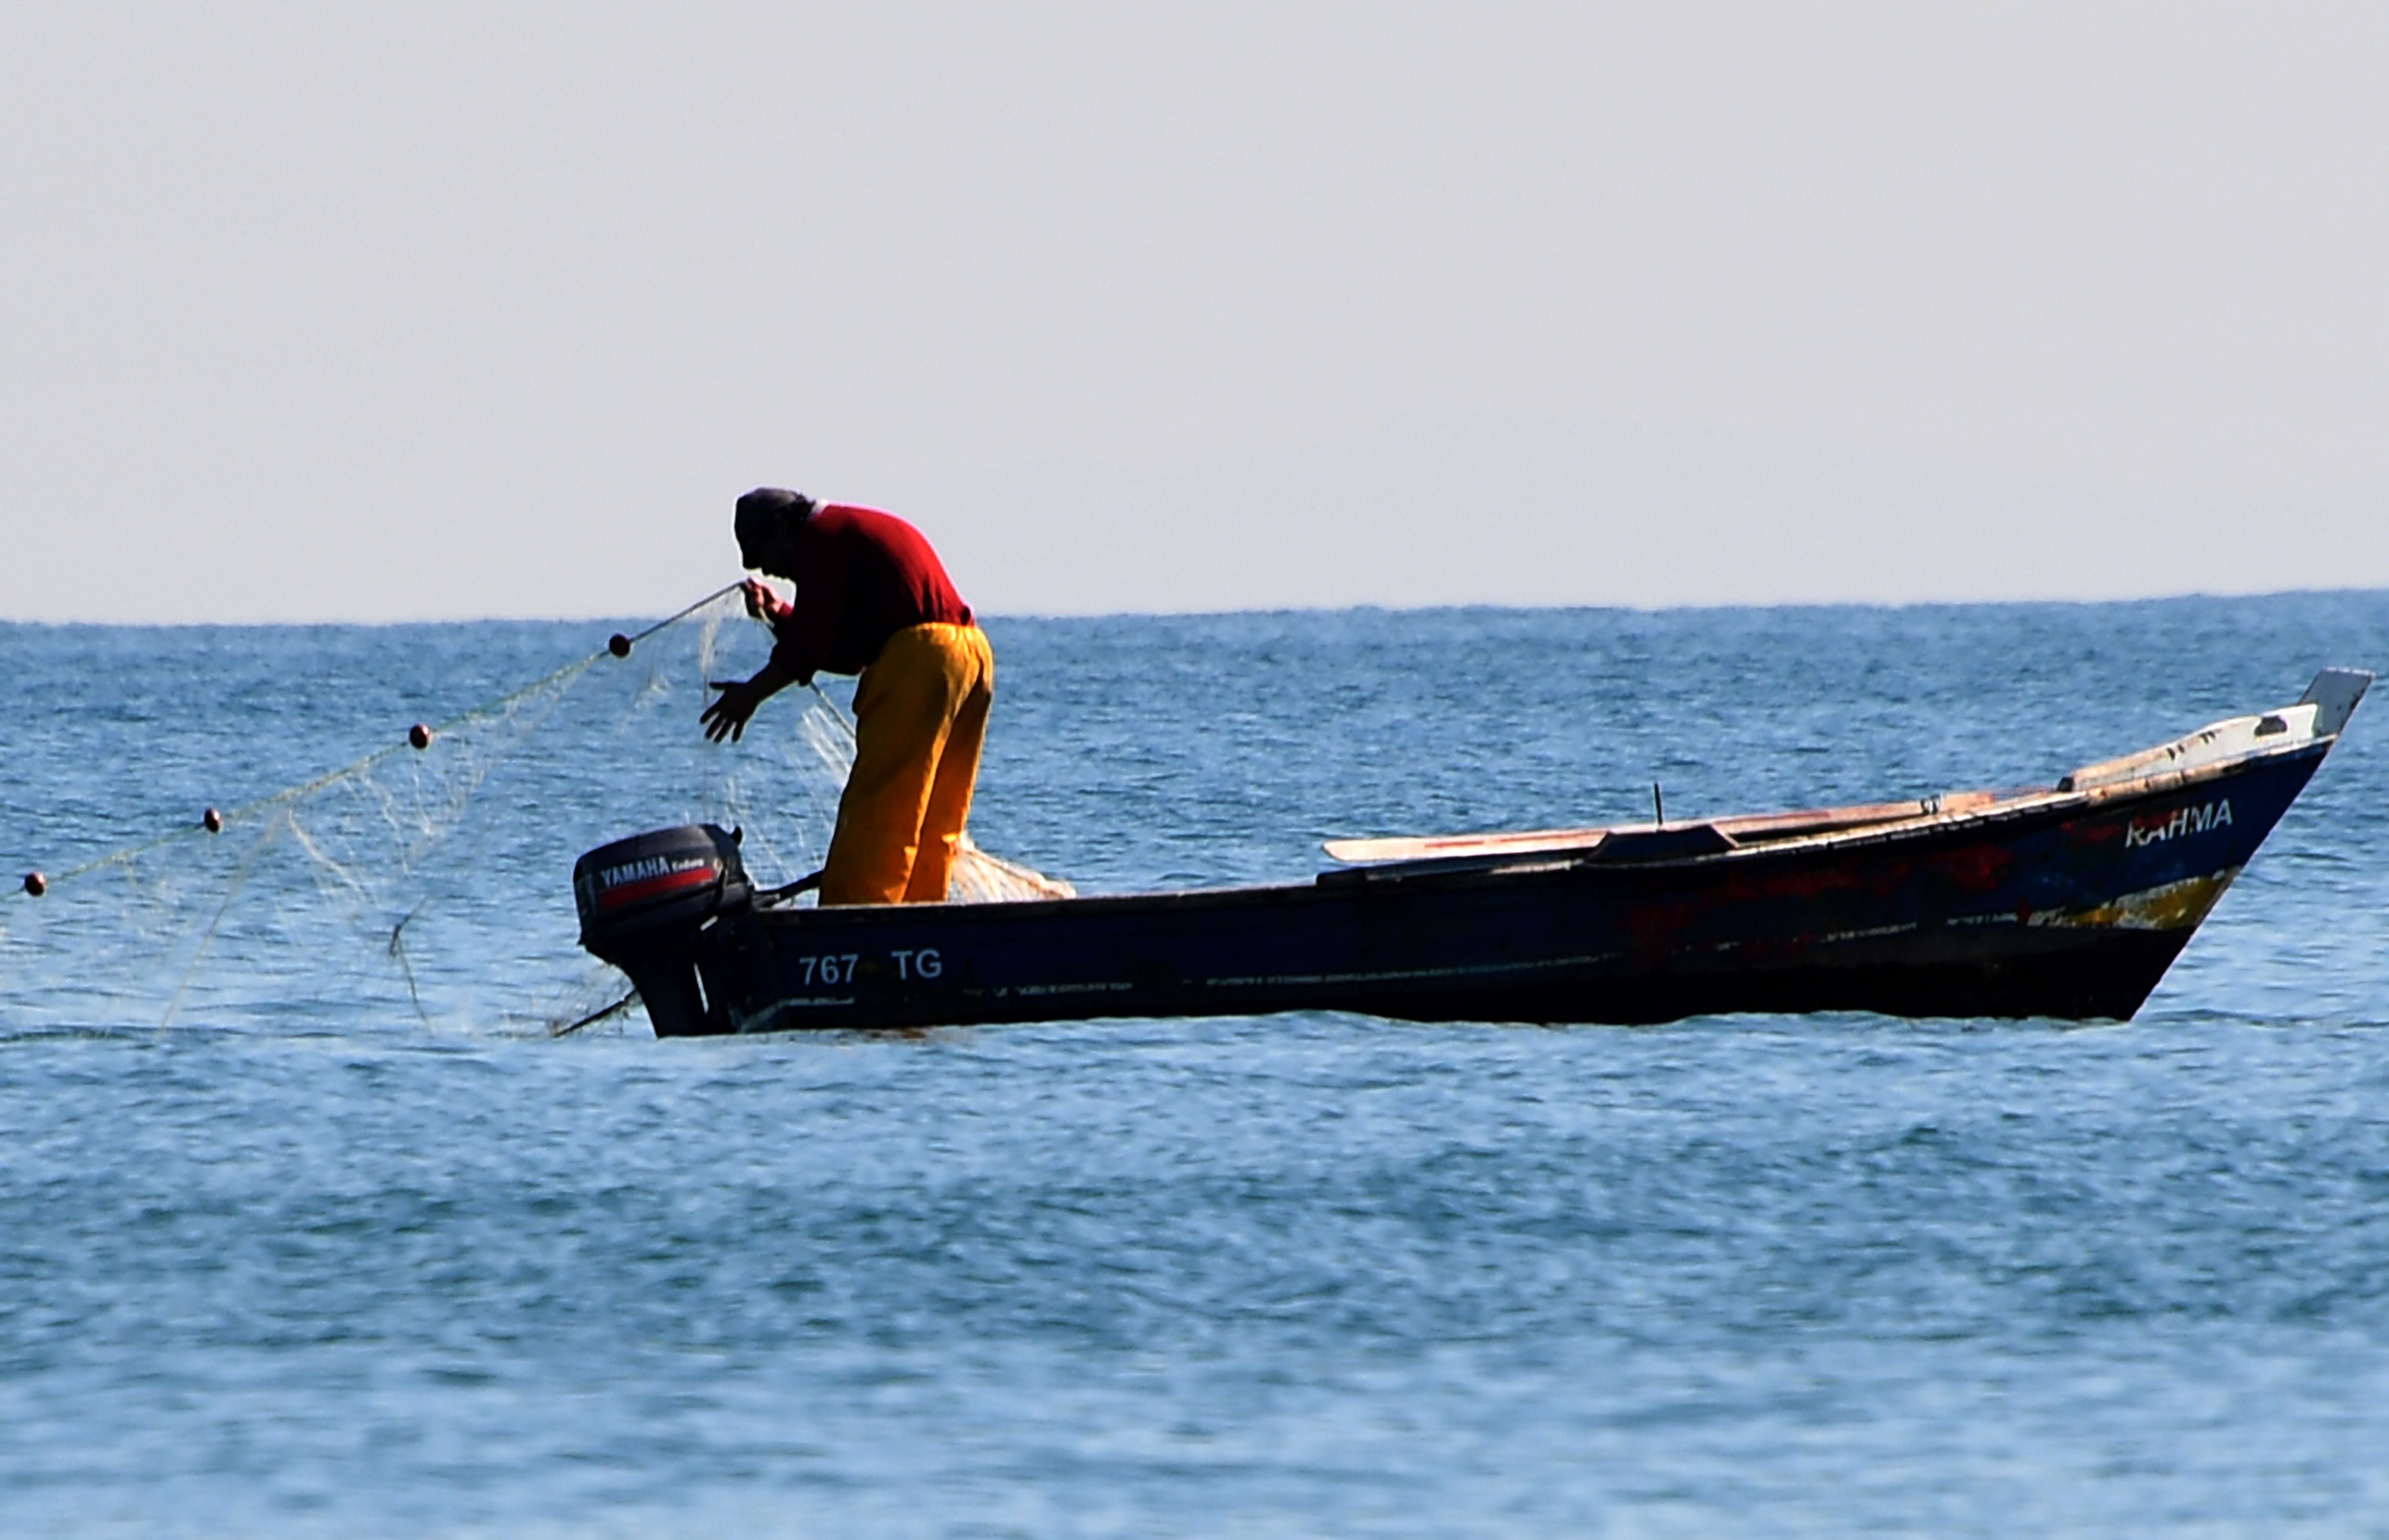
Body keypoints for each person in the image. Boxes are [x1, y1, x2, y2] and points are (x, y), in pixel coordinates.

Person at [699, 488, 994, 905]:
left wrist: (749, 696)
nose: (766, 569)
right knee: (933, 811)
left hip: (924, 658)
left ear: (784, 527)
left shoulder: (823, 539)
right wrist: (780, 613)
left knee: (882, 803)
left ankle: (857, 915)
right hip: (971, 656)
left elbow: (806, 650)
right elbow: (848, 657)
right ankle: (922, 911)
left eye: (762, 553)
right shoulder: (842, 538)